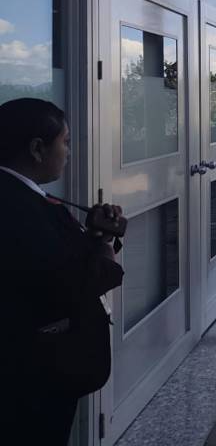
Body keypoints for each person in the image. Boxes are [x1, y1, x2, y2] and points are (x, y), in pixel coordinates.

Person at [0, 98, 125, 445]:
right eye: (65, 142)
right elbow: (77, 282)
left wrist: (97, 234)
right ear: (38, 149)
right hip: (33, 377)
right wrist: (103, 245)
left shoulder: (26, 197)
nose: (68, 152)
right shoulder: (18, 210)